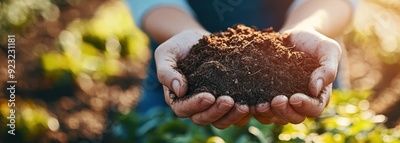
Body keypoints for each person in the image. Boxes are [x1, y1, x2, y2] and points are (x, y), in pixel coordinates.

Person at [125, 0, 358, 129]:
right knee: (155, 129)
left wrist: (309, 28)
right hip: (183, 54)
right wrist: (187, 35)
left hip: (304, 58)